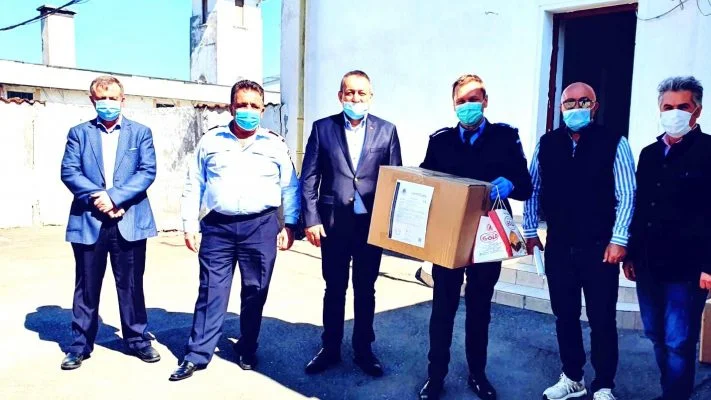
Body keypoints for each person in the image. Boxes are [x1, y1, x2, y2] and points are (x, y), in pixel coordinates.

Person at [169, 80, 300, 381]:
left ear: (263, 110)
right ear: (231, 107)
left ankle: (247, 347)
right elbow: (194, 183)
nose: (248, 111)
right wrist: (189, 224)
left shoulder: (275, 144)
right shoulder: (211, 141)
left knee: (255, 290)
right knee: (211, 290)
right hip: (218, 227)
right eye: (242, 105)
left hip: (261, 226)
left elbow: (290, 187)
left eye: (254, 106)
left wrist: (290, 224)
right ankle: (196, 354)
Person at [418, 74, 532, 400]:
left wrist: (510, 184)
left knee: (479, 310)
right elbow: (426, 183)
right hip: (449, 237)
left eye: (474, 99)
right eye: (461, 101)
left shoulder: (505, 137)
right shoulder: (440, 141)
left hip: (488, 237)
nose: (468, 105)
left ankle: (477, 374)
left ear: (485, 101)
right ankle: (435, 376)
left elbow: (526, 185)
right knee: (443, 309)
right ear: (453, 104)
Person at [523, 82, 636, 400]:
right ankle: (573, 377)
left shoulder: (614, 142)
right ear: (561, 108)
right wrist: (530, 231)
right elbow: (533, 188)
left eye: (584, 101)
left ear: (595, 106)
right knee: (565, 316)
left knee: (602, 319)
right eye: (569, 103)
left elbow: (627, 194)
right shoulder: (547, 143)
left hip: (600, 247)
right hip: (559, 245)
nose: (576, 107)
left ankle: (604, 384)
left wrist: (619, 239)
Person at [300, 70, 402, 377]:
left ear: (371, 96)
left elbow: (394, 181)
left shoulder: (387, 131)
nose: (355, 98)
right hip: (333, 224)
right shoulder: (323, 129)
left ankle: (363, 349)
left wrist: (391, 226)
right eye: (350, 92)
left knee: (365, 289)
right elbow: (309, 178)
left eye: (361, 93)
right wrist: (311, 219)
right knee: (334, 288)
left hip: (370, 226)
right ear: (340, 95)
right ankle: (330, 348)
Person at [59, 75, 161, 370]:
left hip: (129, 219)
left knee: (131, 284)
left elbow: (147, 171)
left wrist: (115, 198)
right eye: (101, 98)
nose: (107, 103)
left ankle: (138, 339)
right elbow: (69, 171)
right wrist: (99, 199)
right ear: (92, 100)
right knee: (86, 287)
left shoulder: (140, 133)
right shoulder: (79, 134)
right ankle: (79, 345)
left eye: (112, 98)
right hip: (89, 220)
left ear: (122, 100)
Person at [624, 76, 711, 400]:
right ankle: (670, 392)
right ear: (659, 110)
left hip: (687, 270)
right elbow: (639, 207)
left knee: (679, 342)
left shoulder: (708, 152)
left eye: (682, 106)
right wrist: (631, 254)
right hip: (648, 264)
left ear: (696, 111)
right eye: (668, 107)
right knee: (656, 335)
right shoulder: (649, 154)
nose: (674, 113)